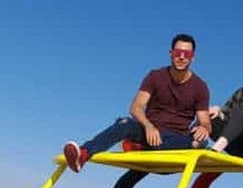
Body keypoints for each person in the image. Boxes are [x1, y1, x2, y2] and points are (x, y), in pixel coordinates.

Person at [63, 34, 211, 172]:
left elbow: (205, 121)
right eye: (178, 52)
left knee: (201, 142)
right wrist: (148, 126)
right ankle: (83, 154)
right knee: (125, 123)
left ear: (193, 57)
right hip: (149, 133)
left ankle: (142, 147)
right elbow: (136, 107)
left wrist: (204, 127)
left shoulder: (200, 87)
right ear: (171, 53)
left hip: (175, 142)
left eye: (187, 54)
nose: (182, 57)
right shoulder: (155, 76)